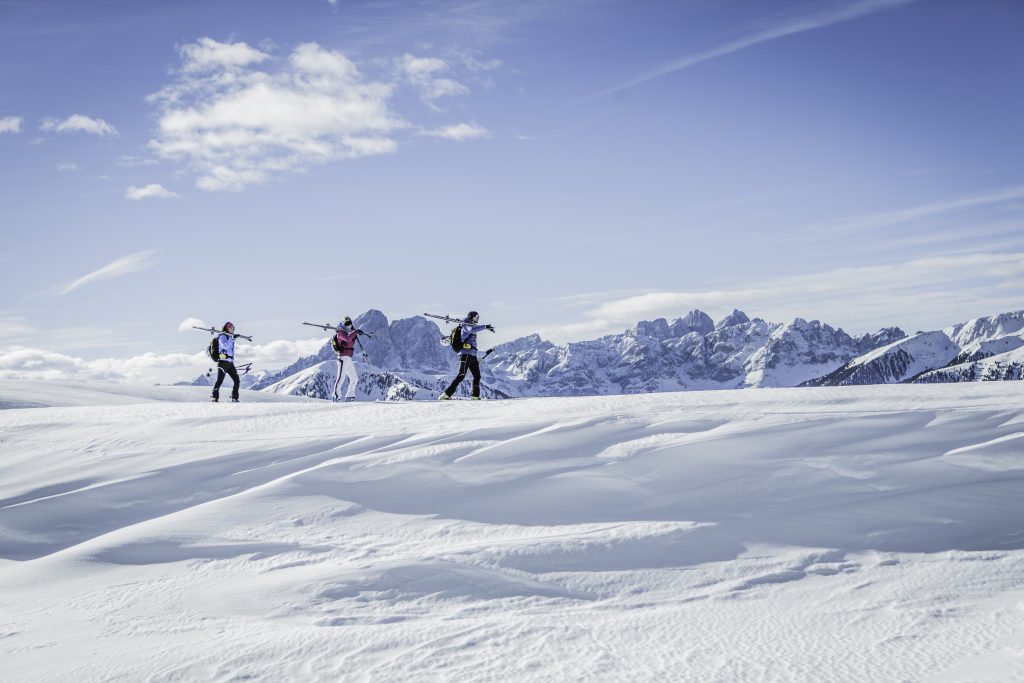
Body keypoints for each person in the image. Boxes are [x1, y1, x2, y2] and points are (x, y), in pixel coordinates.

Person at [439, 311, 493, 400]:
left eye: (478, 317)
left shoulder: (470, 325)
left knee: (477, 376)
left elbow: (474, 330)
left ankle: (475, 396)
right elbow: (471, 330)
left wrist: (486, 328)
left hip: (473, 355)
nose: (477, 319)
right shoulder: (466, 326)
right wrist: (485, 326)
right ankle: (446, 394)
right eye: (476, 317)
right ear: (471, 317)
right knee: (461, 375)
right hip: (466, 354)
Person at [332, 317, 366, 402]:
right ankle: (336, 395)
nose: (349, 325)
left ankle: (350, 395)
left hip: (348, 358)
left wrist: (356, 333)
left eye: (350, 324)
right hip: (342, 358)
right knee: (340, 378)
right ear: (343, 324)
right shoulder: (340, 333)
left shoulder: (347, 333)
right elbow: (347, 339)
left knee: (354, 378)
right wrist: (355, 332)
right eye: (347, 324)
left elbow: (350, 340)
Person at [211, 322, 240, 403]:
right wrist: (232, 339)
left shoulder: (229, 336)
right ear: (227, 328)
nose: (233, 329)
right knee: (219, 381)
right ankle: (214, 397)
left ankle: (235, 398)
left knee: (236, 380)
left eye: (233, 328)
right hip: (223, 362)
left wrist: (232, 338)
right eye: (231, 328)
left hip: (230, 363)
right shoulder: (222, 336)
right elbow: (224, 346)